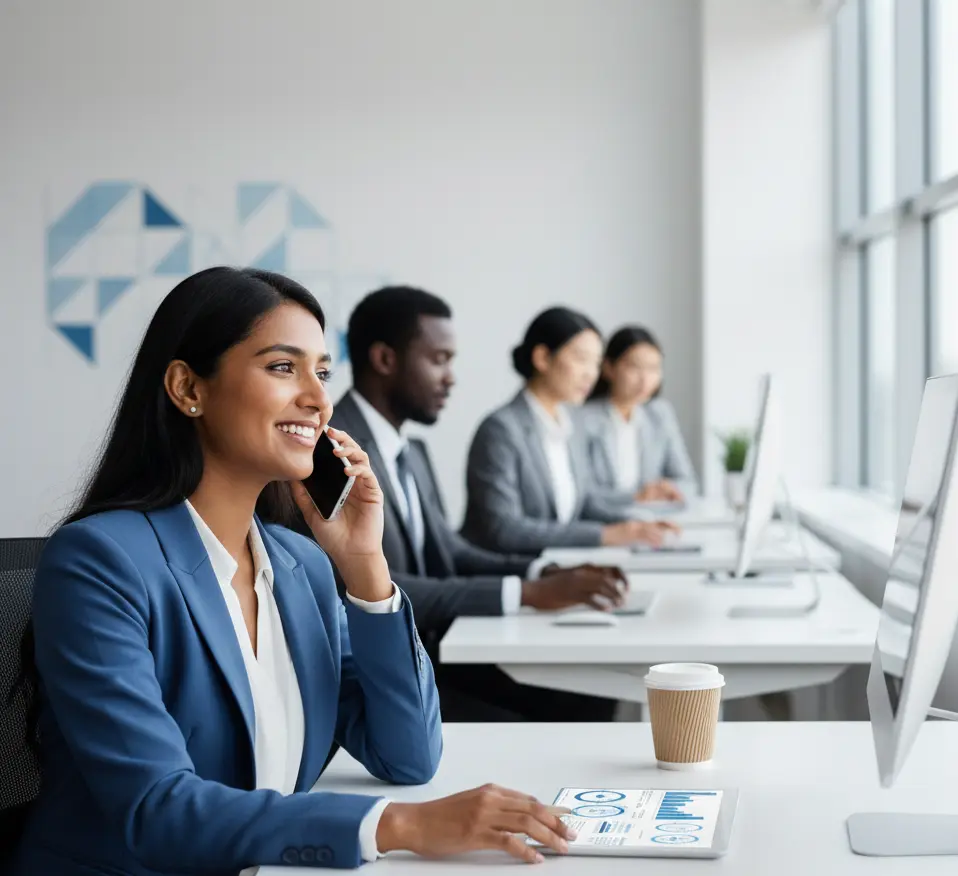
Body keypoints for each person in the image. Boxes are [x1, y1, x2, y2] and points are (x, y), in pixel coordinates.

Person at [12, 268, 574, 876]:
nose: (318, 397)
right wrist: (400, 825)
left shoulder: (299, 563)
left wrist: (365, 566)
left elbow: (408, 755)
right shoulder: (100, 562)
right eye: (284, 367)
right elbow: (156, 809)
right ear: (186, 387)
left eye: (323, 372)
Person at [330, 286, 626, 722]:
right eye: (439, 360)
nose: (450, 377)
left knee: (592, 690)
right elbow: (368, 586)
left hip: (430, 654)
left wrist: (540, 572)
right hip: (383, 676)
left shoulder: (409, 449)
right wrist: (526, 593)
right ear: (385, 360)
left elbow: (450, 551)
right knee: (561, 709)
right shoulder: (335, 450)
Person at [461, 307, 677, 555]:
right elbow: (503, 529)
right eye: (580, 359)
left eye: (595, 363)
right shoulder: (501, 430)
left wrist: (635, 524)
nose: (591, 374)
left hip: (556, 565)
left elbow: (584, 502)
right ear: (542, 358)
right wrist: (605, 535)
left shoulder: (571, 424)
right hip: (506, 573)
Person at [581, 325, 698, 504]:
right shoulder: (583, 418)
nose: (645, 379)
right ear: (608, 368)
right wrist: (635, 498)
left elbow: (688, 483)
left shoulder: (660, 414)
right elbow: (583, 493)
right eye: (634, 367)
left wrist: (669, 488)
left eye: (653, 368)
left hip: (652, 518)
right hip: (606, 523)